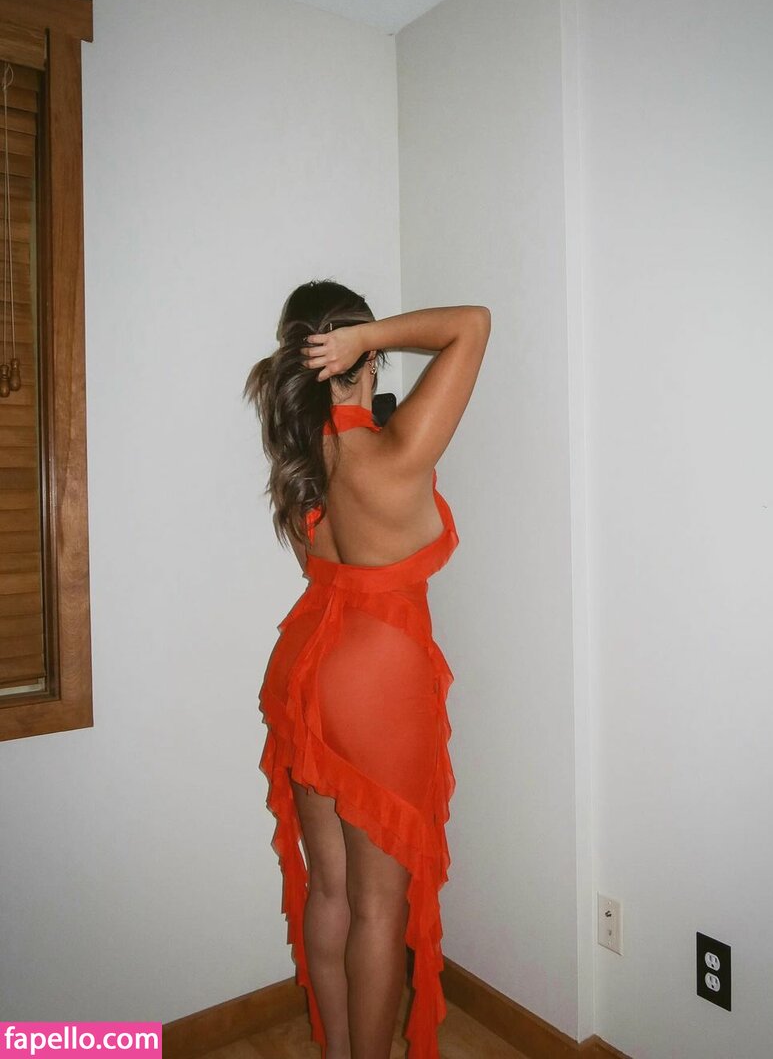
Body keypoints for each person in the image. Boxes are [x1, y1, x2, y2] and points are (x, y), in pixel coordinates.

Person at [245, 279, 491, 1059]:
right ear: (363, 353)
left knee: (332, 890)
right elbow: (473, 324)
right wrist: (370, 337)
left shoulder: (300, 466)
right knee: (379, 908)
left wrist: (356, 347)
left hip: (308, 666)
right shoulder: (395, 451)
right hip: (376, 680)